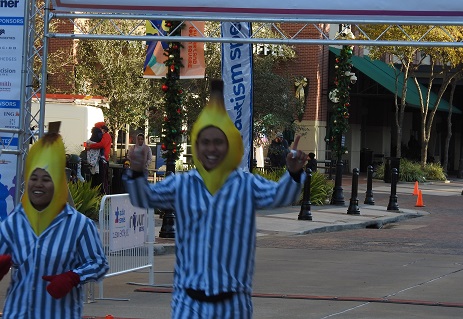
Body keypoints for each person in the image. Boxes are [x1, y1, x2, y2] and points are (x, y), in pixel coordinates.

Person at [123, 80, 307, 319]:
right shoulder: (183, 184)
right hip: (188, 305)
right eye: (205, 142)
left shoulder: (246, 185)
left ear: (229, 145)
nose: (212, 149)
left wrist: (293, 172)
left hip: (232, 307)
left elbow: (281, 196)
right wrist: (137, 173)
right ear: (197, 147)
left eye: (218, 142)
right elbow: (143, 198)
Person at [0, 122, 109, 319]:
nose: (38, 184)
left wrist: (74, 277)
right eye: (34, 178)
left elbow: (99, 264)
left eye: (46, 179)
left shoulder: (79, 225)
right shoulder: (15, 221)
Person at [86, 122, 112, 195]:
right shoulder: (102, 136)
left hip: (103, 161)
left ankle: (103, 196)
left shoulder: (106, 135)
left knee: (102, 181)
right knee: (97, 180)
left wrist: (90, 146)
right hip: (99, 160)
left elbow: (102, 145)